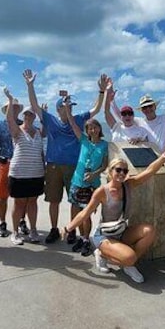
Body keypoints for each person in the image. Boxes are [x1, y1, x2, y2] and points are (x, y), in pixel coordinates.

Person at [64, 139, 165, 283]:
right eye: (118, 170)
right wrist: (68, 229)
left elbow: (149, 171)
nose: (122, 173)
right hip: (104, 235)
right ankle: (104, 254)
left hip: (121, 230)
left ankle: (127, 264)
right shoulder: (102, 192)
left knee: (150, 231)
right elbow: (84, 213)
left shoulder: (129, 184)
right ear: (110, 171)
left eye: (125, 170)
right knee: (130, 257)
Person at [23, 69, 104, 244]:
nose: (69, 109)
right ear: (58, 108)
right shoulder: (50, 119)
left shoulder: (79, 119)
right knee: (54, 201)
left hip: (74, 168)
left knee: (75, 202)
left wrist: (102, 92)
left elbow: (96, 109)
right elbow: (35, 104)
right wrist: (30, 85)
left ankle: (73, 230)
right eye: (66, 106)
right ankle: (54, 229)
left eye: (71, 107)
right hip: (53, 166)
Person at [63, 98, 109, 256]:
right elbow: (72, 124)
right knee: (75, 208)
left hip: (91, 184)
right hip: (76, 181)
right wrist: (68, 110)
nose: (92, 130)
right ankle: (76, 235)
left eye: (95, 127)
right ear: (87, 131)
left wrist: (94, 174)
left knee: (86, 213)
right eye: (89, 128)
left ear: (99, 129)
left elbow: (105, 165)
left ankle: (85, 240)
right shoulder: (83, 140)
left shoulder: (104, 145)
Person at [2, 88, 45, 245]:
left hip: (37, 173)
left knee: (33, 202)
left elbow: (41, 152)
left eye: (31, 114)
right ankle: (15, 232)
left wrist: (44, 170)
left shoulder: (39, 132)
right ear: (23, 116)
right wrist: (11, 101)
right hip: (19, 173)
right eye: (26, 114)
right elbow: (9, 120)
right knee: (19, 203)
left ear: (34, 117)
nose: (28, 116)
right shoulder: (17, 131)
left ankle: (33, 230)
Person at [112, 69, 165, 150]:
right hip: (149, 161)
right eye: (145, 107)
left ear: (155, 107)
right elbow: (121, 116)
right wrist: (112, 101)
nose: (148, 109)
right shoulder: (139, 121)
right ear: (141, 110)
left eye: (150, 106)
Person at [0, 97, 26, 238]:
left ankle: (21, 221)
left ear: (19, 110)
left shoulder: (24, 124)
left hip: (21, 164)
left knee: (22, 195)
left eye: (15, 107)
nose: (13, 109)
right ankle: (2, 222)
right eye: (10, 107)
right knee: (2, 195)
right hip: (4, 163)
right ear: (6, 110)